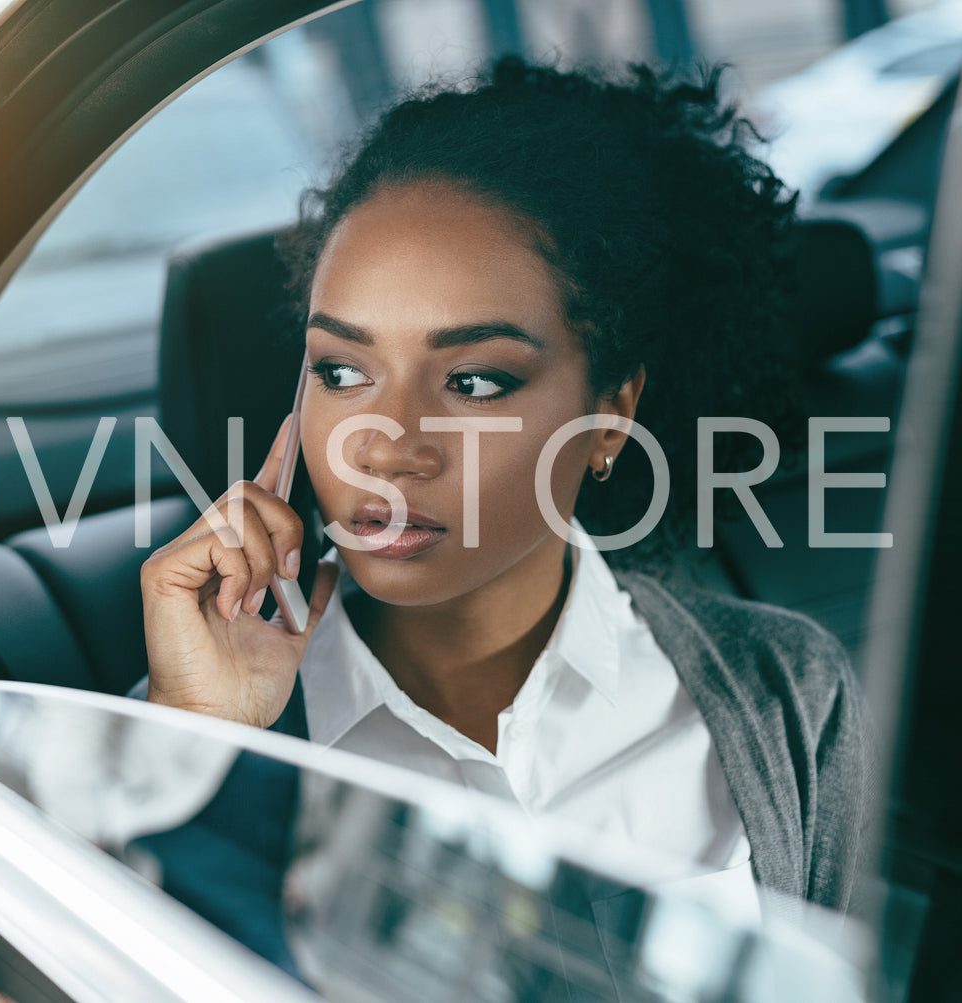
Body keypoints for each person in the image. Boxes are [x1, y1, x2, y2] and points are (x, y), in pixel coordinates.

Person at [138, 56, 869, 915]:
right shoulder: (174, 722)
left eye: (474, 381)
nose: (385, 448)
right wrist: (199, 748)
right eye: (340, 371)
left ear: (609, 411)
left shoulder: (783, 691)